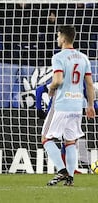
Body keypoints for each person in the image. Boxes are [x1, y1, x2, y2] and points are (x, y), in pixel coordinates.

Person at [41, 25, 95, 187]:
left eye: (58, 36)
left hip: (62, 104)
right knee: (70, 141)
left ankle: (61, 170)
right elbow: (90, 85)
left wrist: (50, 88)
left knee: (46, 138)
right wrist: (90, 105)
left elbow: (58, 80)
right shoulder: (83, 58)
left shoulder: (58, 57)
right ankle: (70, 177)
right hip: (77, 105)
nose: (57, 39)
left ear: (63, 38)